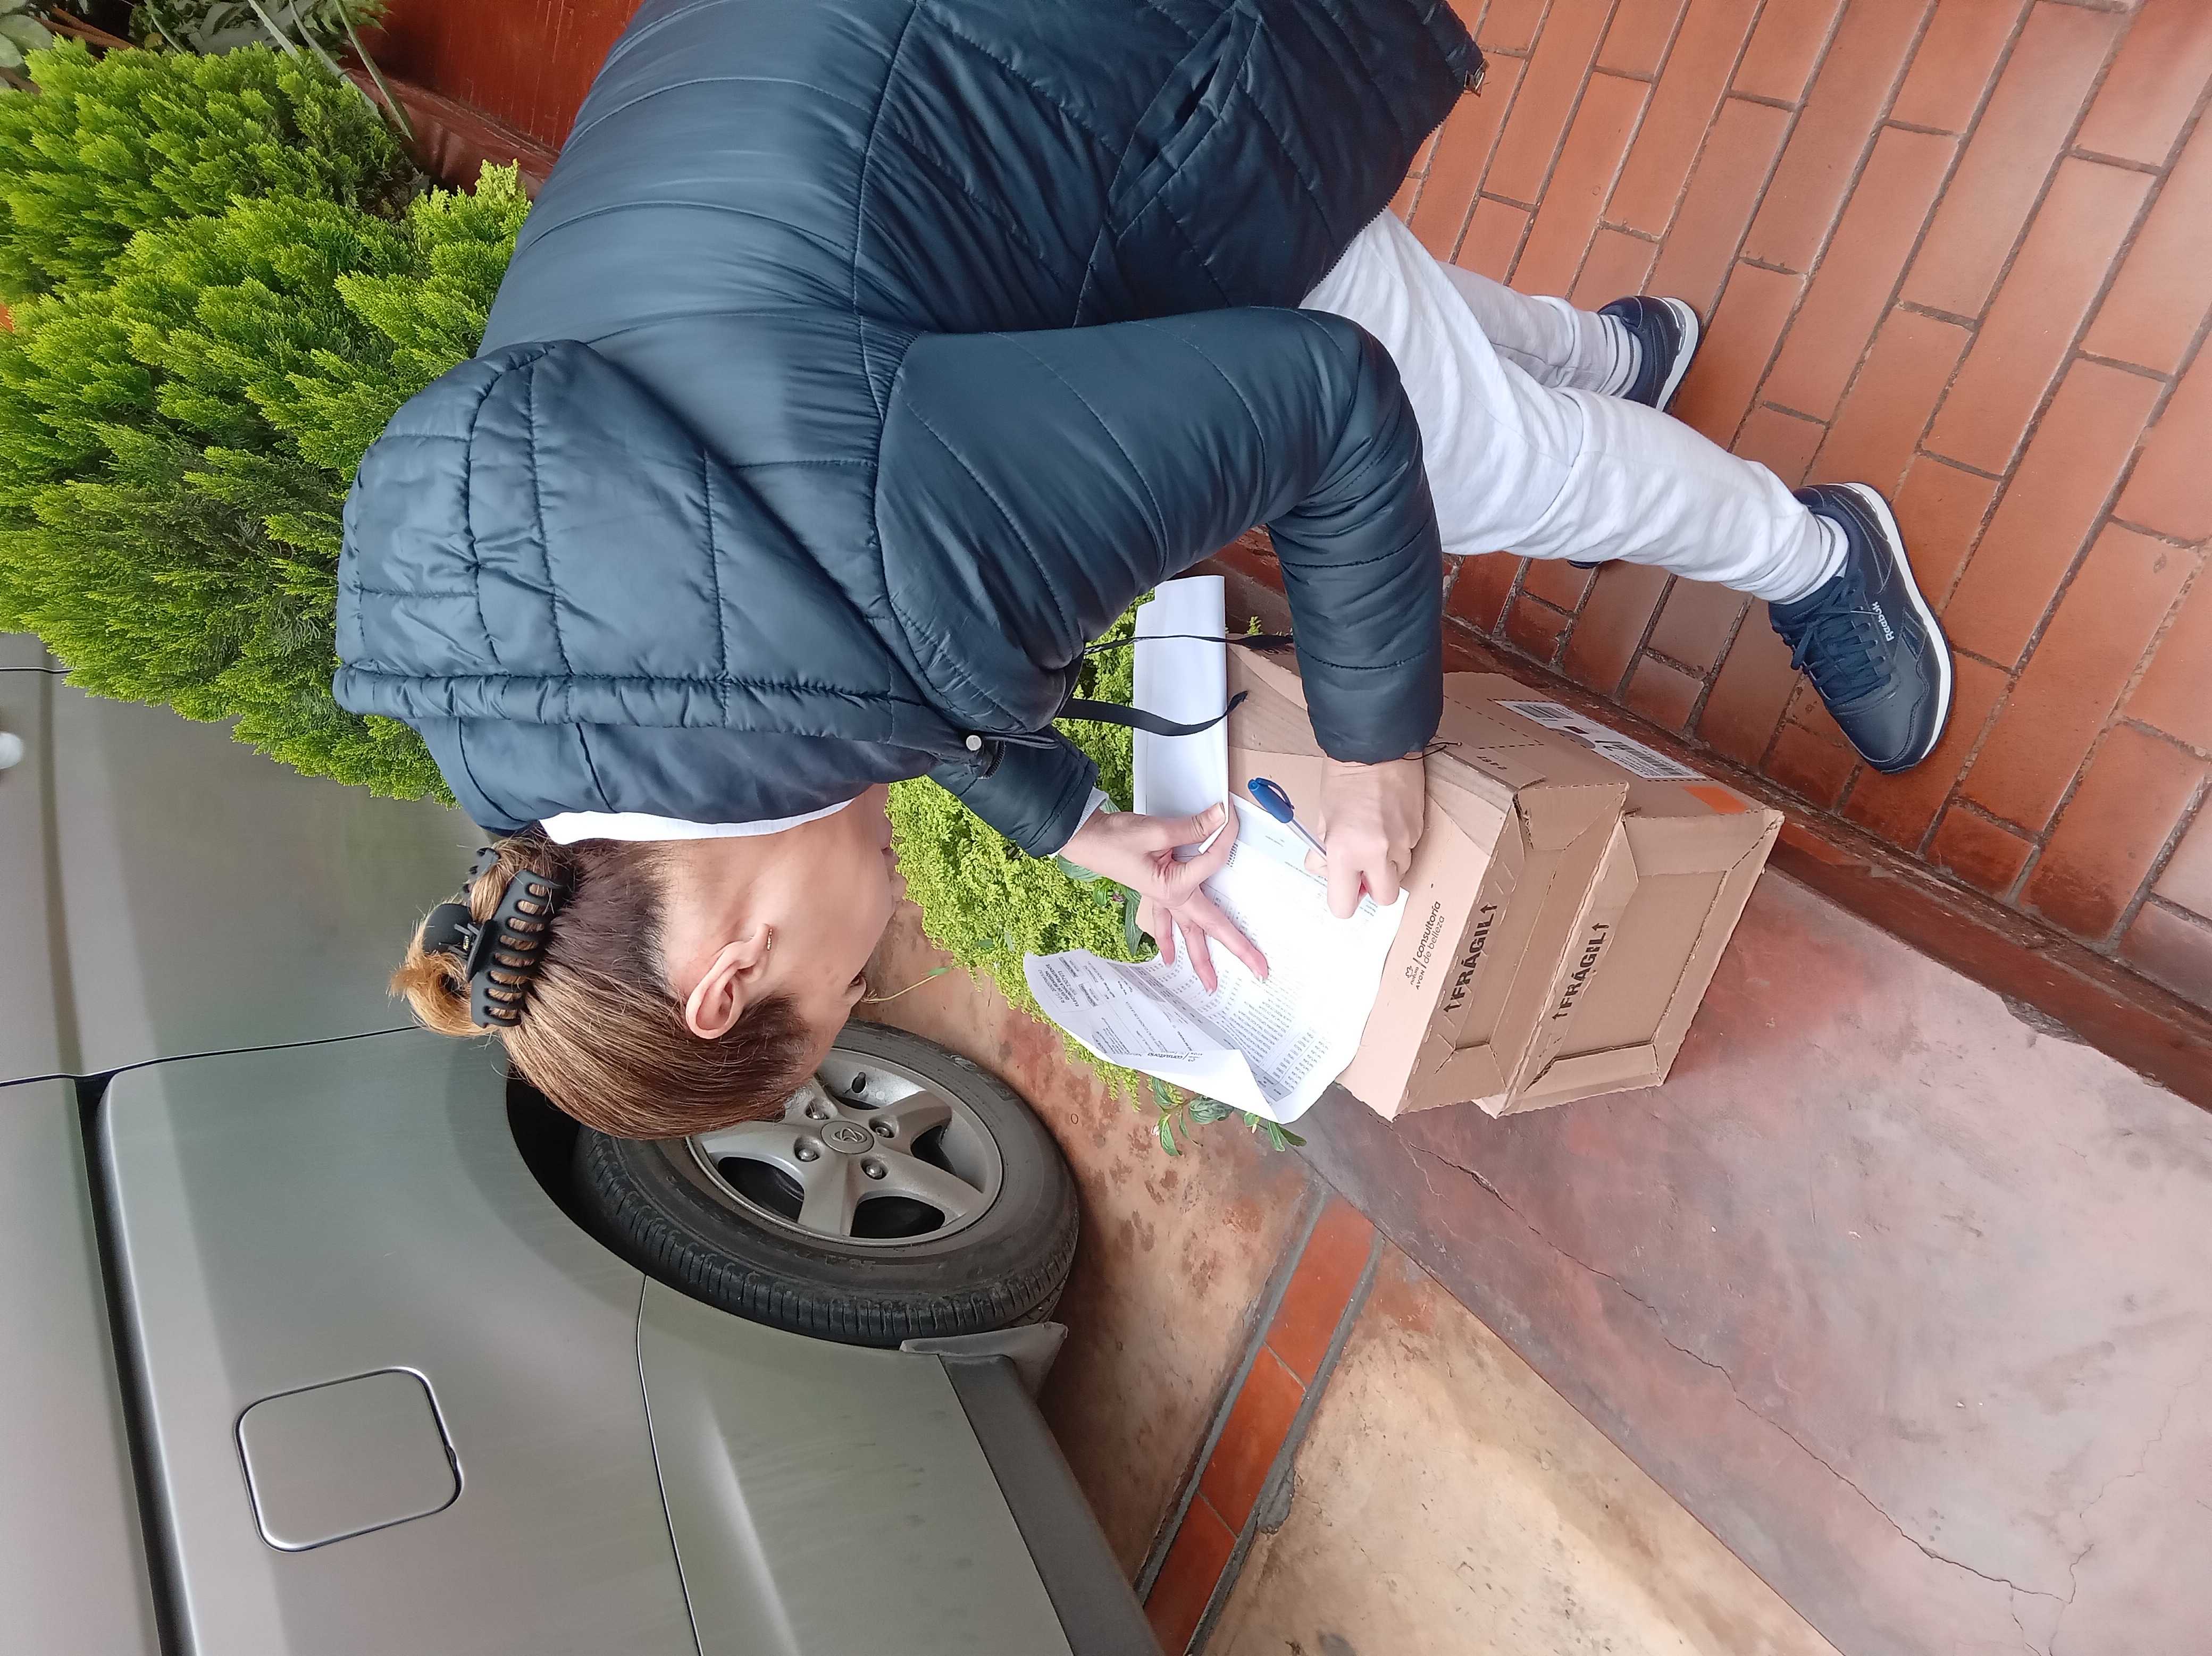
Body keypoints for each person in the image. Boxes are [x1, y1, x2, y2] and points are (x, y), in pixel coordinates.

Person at [344, 0, 1951, 1140]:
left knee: (1487, 465)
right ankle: (1613, 353)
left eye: (846, 993)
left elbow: (1322, 402)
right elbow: (796, 642)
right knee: (1384, 316)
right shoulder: (524, 705)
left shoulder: (878, 566)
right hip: (855, 81)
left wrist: (1375, 750)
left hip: (1078, 72)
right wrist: (1077, 826)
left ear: (730, 978)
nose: (879, 953)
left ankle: (1815, 551)